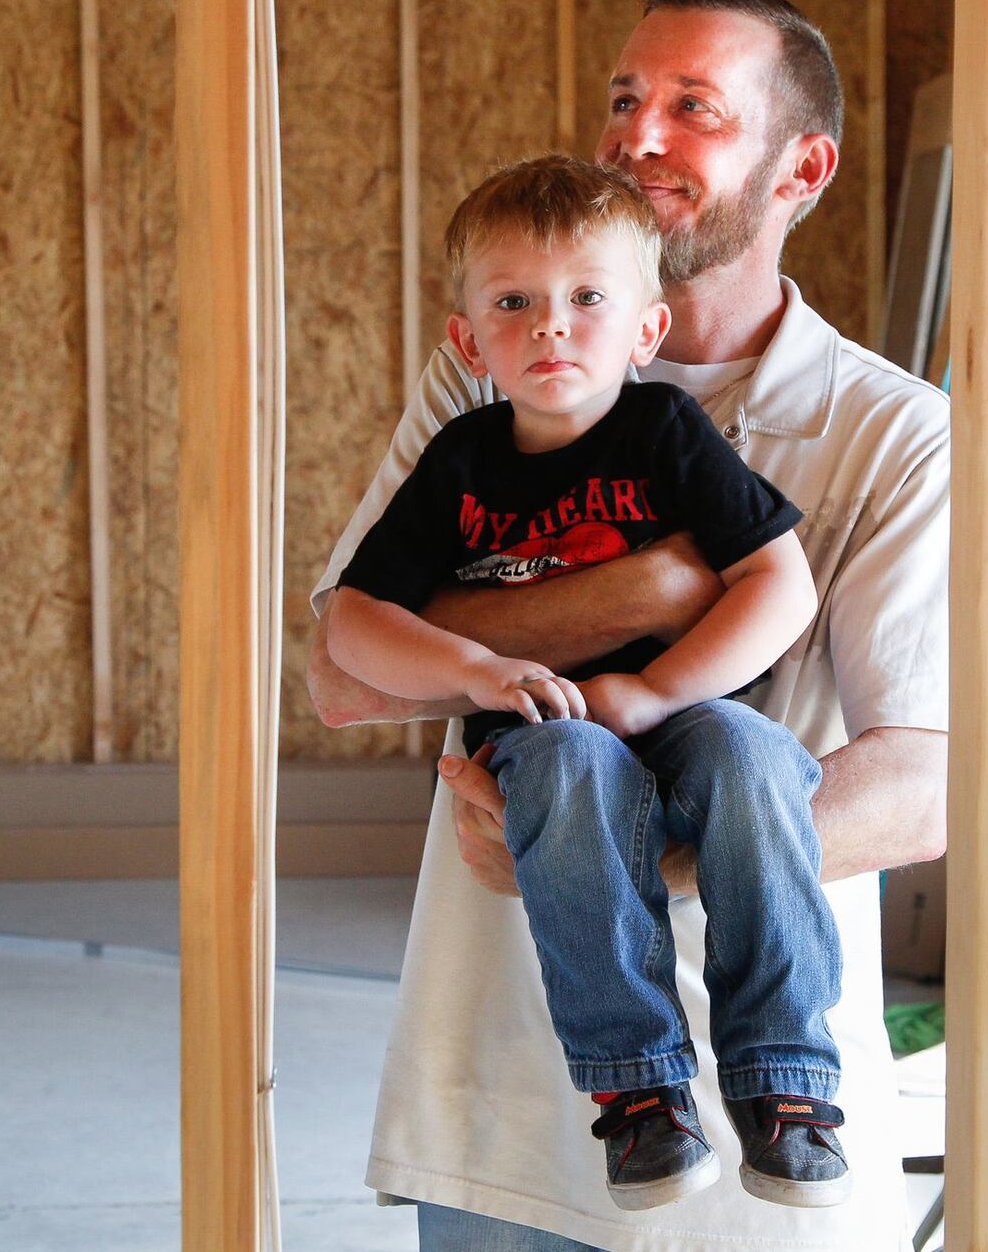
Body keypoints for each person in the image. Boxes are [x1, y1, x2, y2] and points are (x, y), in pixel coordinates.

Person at [308, 0, 949, 1251]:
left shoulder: (895, 433)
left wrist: (591, 844)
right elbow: (351, 674)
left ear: (801, 167)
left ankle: (756, 1082)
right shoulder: (482, 383)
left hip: (766, 1152)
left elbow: (917, 790)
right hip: (495, 1098)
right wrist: (646, 594)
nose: (635, 135)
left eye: (694, 107)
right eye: (623, 97)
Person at [325, 153, 851, 1213]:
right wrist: (477, 669)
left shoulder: (664, 433)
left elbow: (776, 585)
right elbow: (351, 623)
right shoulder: (462, 460)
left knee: (757, 758)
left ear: (645, 331)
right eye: (514, 303)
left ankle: (784, 1081)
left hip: (680, 713)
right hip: (540, 728)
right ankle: (640, 1089)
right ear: (469, 341)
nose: (551, 327)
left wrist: (655, 693)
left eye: (586, 300)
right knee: (566, 759)